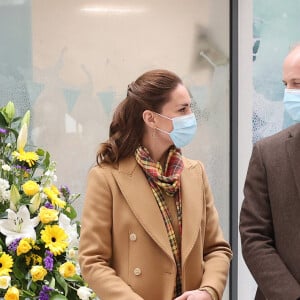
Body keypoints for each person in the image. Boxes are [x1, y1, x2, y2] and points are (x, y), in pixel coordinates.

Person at [79, 69, 232, 300]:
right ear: (151, 118)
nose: (191, 116)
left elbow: (217, 249)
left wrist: (208, 292)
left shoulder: (194, 173)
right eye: (182, 109)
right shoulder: (107, 178)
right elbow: (93, 261)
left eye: (190, 107)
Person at [239, 44, 300, 300]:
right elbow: (254, 235)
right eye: (285, 84)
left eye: (297, 83)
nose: (289, 93)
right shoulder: (268, 153)